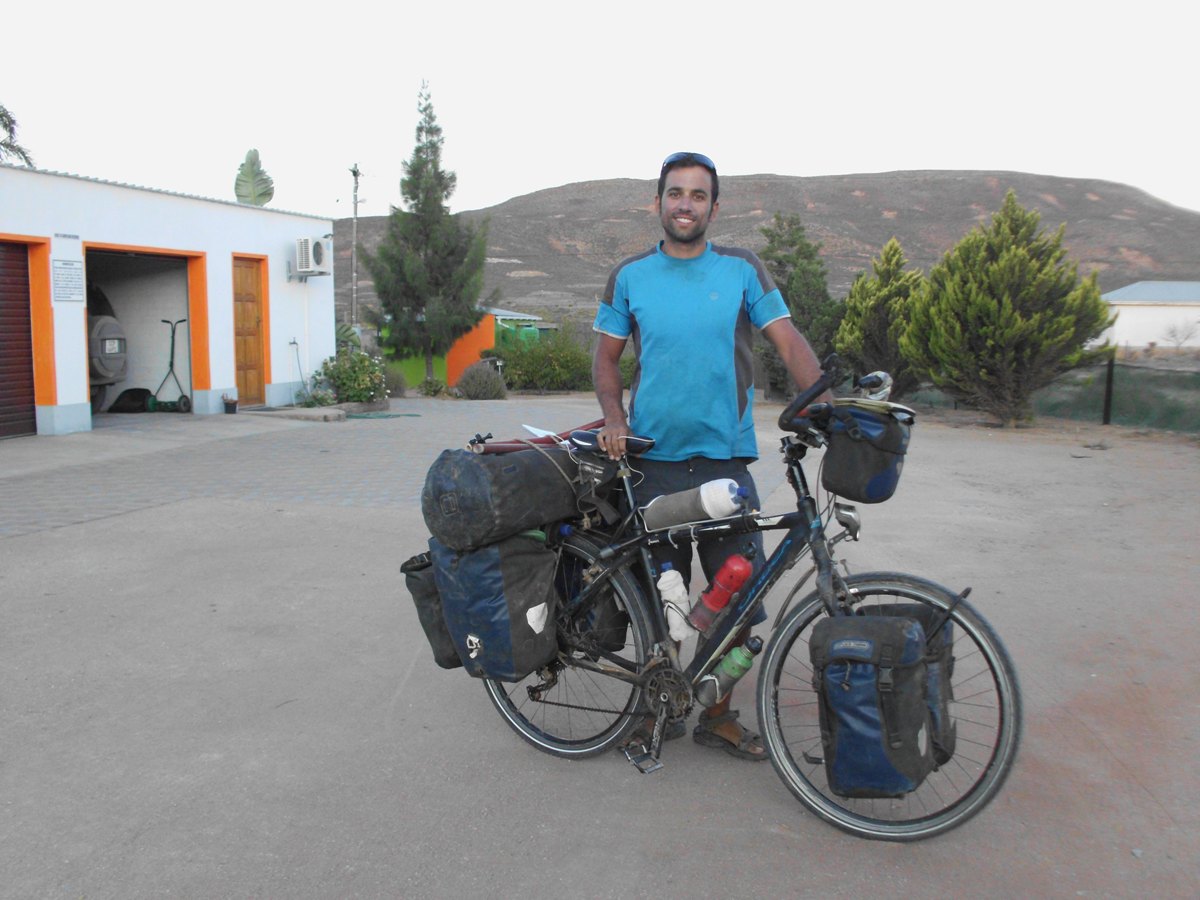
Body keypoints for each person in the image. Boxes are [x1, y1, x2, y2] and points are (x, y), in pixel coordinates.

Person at [592, 151, 829, 760]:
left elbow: (787, 340)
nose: (686, 204)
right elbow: (606, 358)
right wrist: (615, 419)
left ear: (714, 208)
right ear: (658, 203)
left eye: (698, 195)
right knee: (661, 599)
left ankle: (716, 716)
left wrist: (823, 404)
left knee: (738, 593)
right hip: (653, 463)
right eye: (676, 193)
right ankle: (656, 711)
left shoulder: (743, 269)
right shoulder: (629, 276)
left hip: (725, 460)